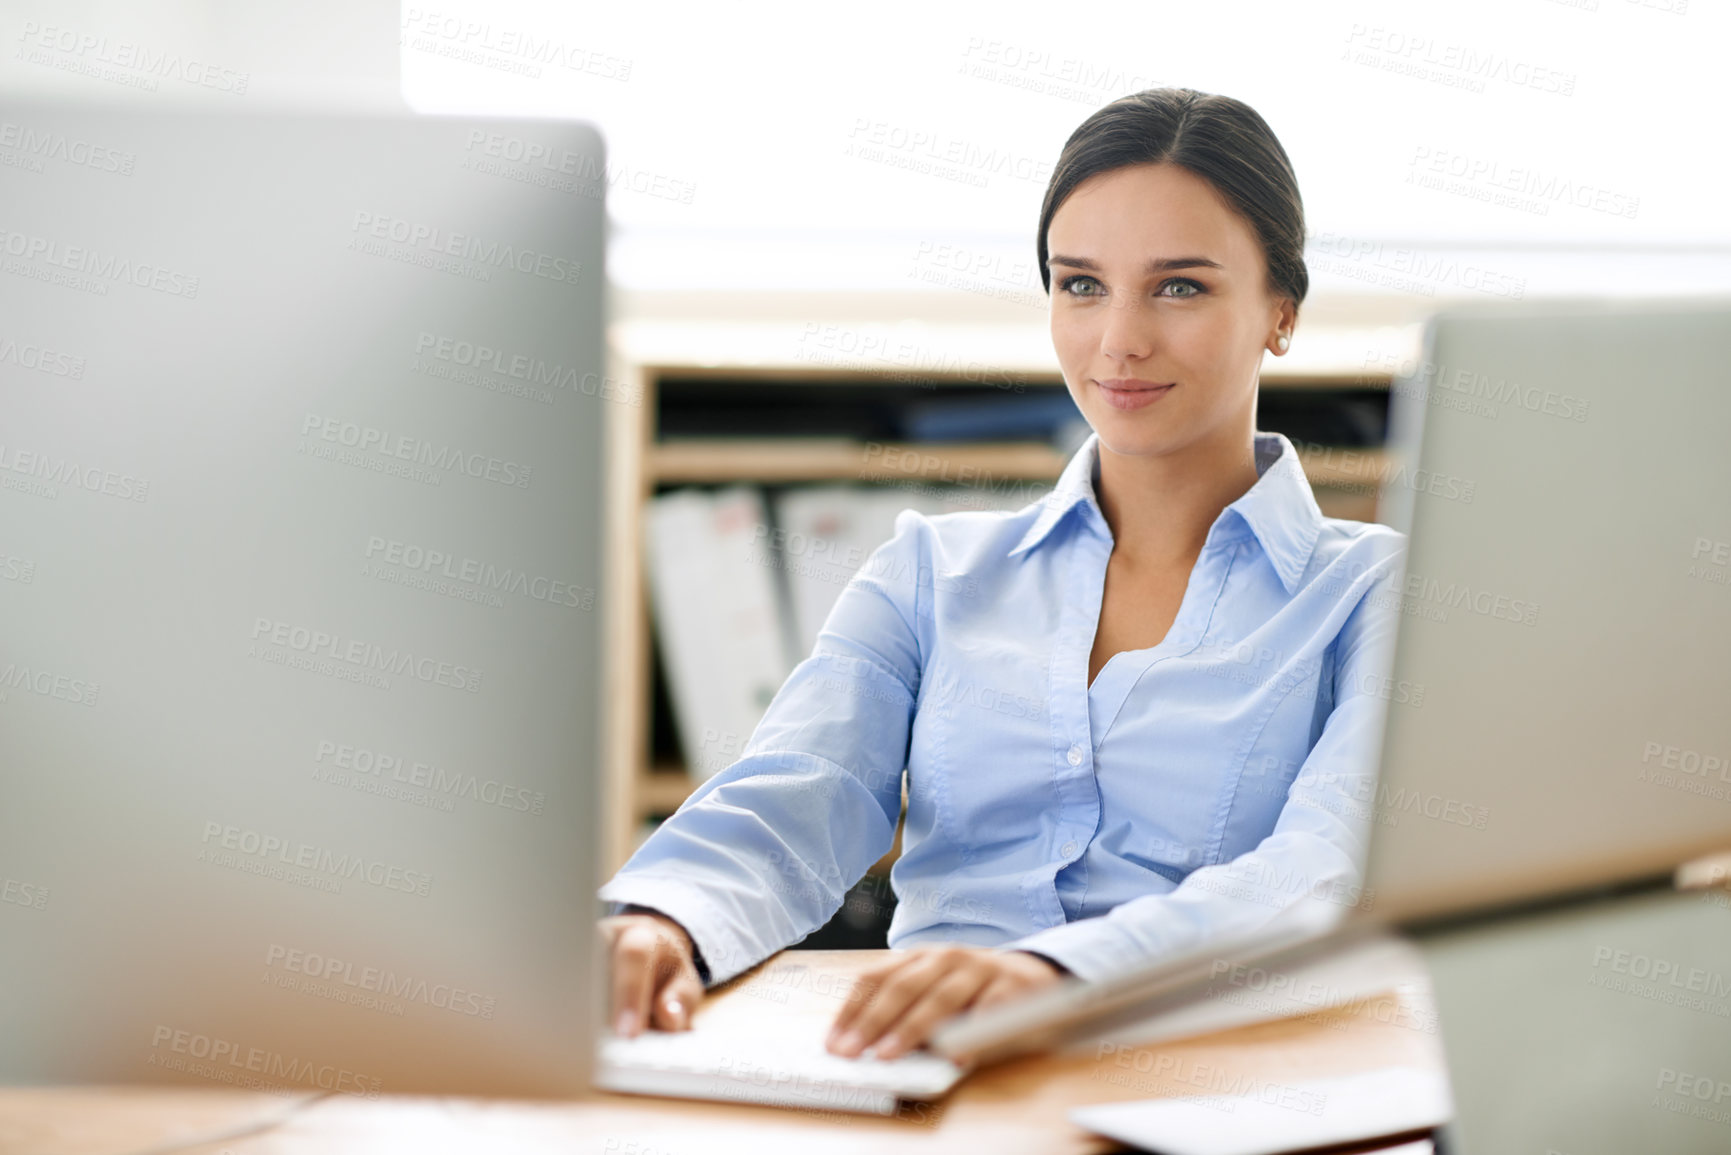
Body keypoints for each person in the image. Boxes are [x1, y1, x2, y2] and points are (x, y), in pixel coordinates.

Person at [598, 86, 1405, 1063]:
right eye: (1081, 284)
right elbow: (797, 795)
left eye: (1180, 286)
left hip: (1211, 1073)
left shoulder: (1377, 597)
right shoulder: (930, 572)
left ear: (1282, 309)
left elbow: (1326, 869)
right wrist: (662, 919)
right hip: (934, 1078)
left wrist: (1056, 978)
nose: (1120, 339)